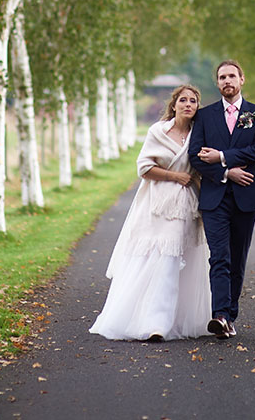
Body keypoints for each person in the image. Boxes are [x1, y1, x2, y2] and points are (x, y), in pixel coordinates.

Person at [90, 85, 211, 342]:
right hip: (156, 202)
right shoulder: (158, 131)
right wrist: (174, 176)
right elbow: (144, 168)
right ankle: (154, 322)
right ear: (174, 104)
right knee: (160, 257)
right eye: (183, 100)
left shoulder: (200, 134)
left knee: (181, 258)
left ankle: (174, 319)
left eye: (193, 101)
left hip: (188, 205)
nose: (188, 105)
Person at [188, 60, 255, 339]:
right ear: (217, 83)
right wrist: (226, 172)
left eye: (231, 76)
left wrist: (222, 157)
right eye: (222, 77)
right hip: (214, 197)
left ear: (241, 79)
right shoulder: (204, 116)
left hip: (246, 197)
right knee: (219, 257)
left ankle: (231, 315)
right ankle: (220, 316)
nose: (227, 81)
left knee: (237, 259)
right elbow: (195, 156)